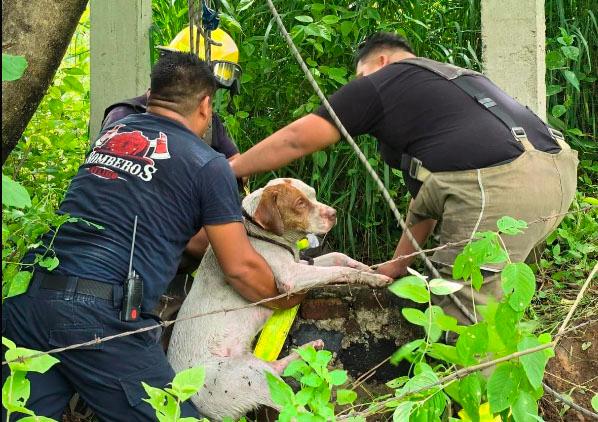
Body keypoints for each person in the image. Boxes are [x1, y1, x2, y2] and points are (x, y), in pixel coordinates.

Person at [2, 51, 301, 421]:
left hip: (28, 298)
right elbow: (239, 268)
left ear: (150, 94)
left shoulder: (112, 135)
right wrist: (289, 293)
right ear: (206, 105)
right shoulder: (206, 164)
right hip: (100, 312)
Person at [230, 32, 578, 323]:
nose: (360, 85)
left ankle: (473, 398)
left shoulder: (383, 81)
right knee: (502, 298)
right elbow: (428, 199)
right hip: (556, 173)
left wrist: (233, 168)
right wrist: (395, 266)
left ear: (379, 63)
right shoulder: (455, 80)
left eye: (360, 76)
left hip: (499, 184)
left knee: (462, 312)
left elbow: (297, 138)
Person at [99, 27, 244, 326]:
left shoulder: (210, 123)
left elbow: (236, 163)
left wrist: (221, 189)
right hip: (136, 252)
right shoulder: (125, 117)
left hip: (180, 250)